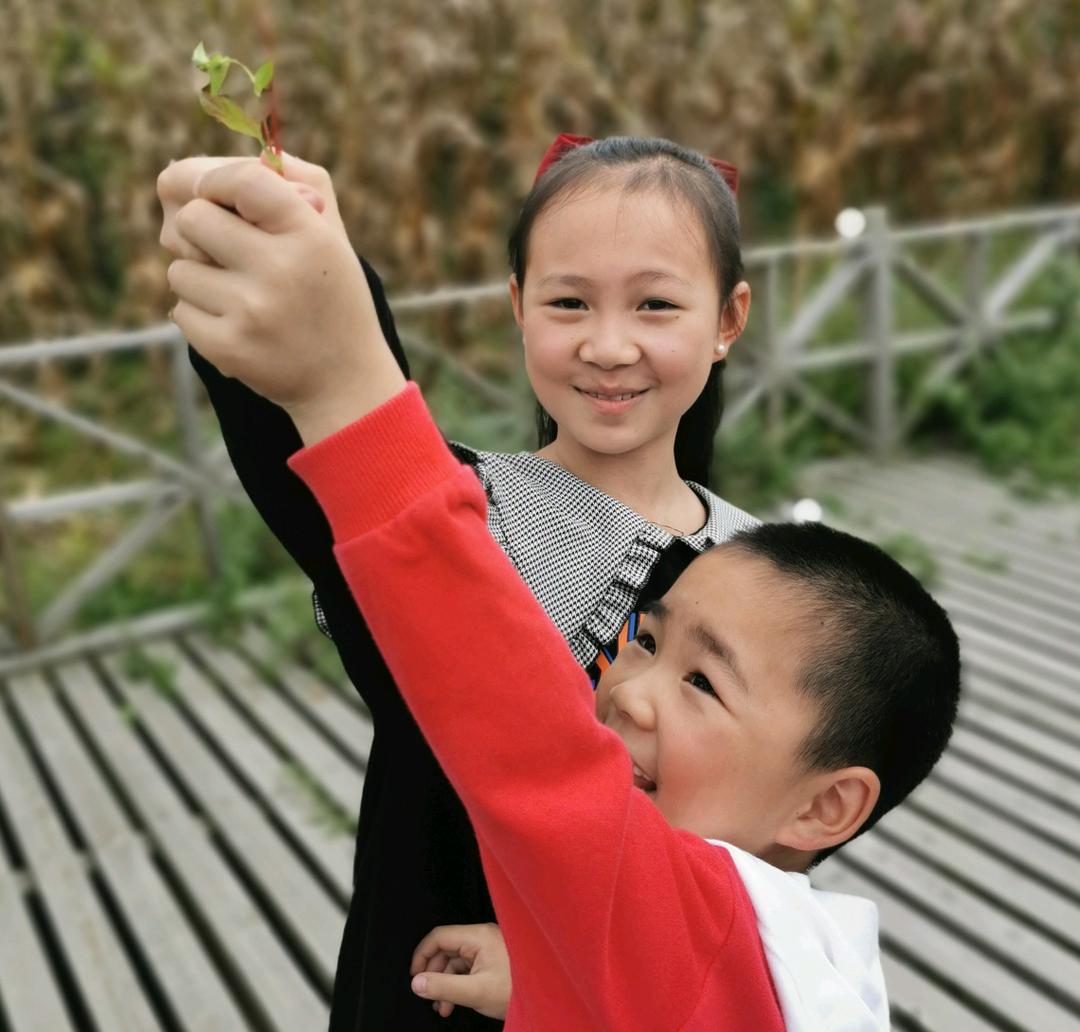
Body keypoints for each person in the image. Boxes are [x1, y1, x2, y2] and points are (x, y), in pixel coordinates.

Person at [162, 160, 962, 1029]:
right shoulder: (461, 502)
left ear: (729, 319)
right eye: (569, 302)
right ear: (517, 306)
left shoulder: (751, 575)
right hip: (423, 976)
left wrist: (570, 960)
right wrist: (294, 268)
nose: (608, 345)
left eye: (655, 304)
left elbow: (743, 878)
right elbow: (360, 468)